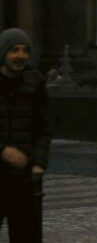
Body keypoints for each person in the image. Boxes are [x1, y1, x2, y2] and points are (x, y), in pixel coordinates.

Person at [0, 28, 50, 242]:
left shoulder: (35, 82)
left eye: (25, 51)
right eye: (14, 50)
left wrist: (39, 161)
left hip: (22, 177)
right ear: (3, 53)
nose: (21, 56)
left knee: (26, 235)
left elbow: (43, 128)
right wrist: (2, 150)